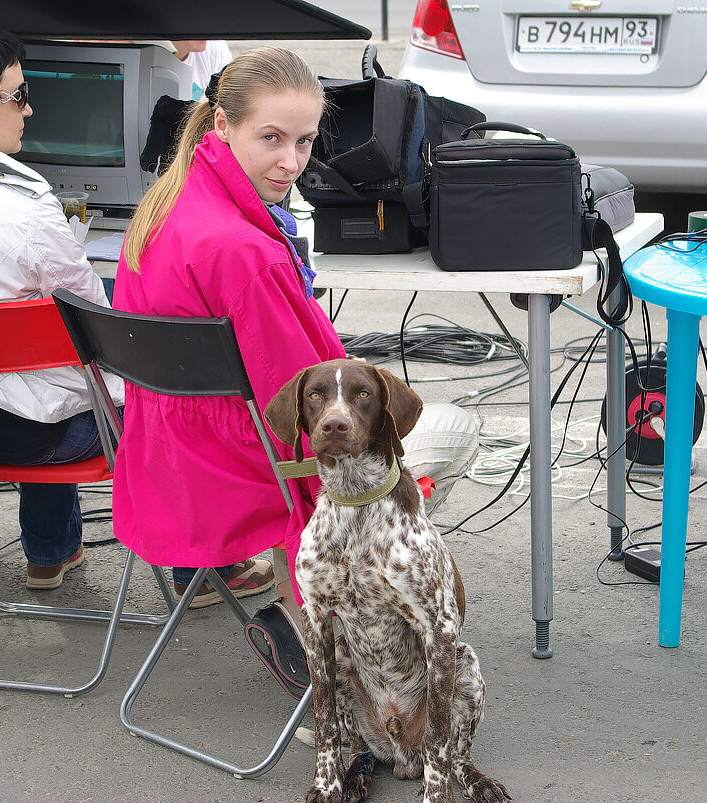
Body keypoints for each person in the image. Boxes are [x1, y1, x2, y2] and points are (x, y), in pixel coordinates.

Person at [112, 46, 479, 694]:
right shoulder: (244, 250)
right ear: (223, 126)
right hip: (254, 471)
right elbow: (308, 414)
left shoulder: (167, 206)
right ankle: (317, 622)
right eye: (272, 139)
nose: (291, 161)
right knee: (449, 427)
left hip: (171, 461)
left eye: (305, 142)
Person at [0, 18, 124, 591]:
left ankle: (54, 550)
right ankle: (206, 566)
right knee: (153, 375)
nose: (29, 110)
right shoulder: (24, 204)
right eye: (19, 96)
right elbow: (96, 322)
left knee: (36, 371)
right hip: (34, 441)